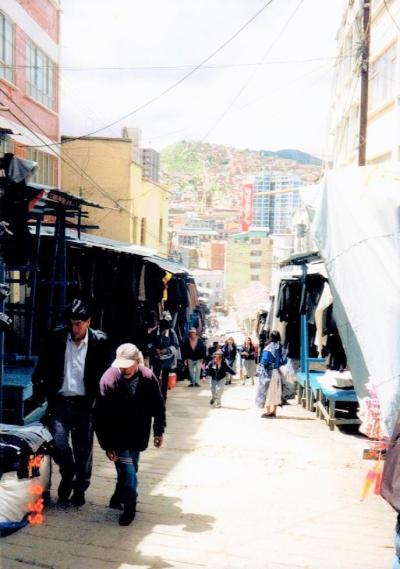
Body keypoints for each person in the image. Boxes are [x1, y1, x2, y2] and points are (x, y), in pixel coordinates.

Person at [32, 299, 109, 507]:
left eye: (78, 324)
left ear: (88, 322)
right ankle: (68, 473)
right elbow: (42, 367)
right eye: (71, 323)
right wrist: (39, 388)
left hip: (85, 404)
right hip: (60, 401)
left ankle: (80, 487)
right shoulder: (56, 338)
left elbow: (106, 375)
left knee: (83, 450)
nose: (74, 328)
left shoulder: (100, 342)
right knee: (58, 443)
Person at [94, 343, 166, 526]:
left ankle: (118, 495)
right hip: (117, 435)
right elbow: (100, 416)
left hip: (138, 432)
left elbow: (158, 406)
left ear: (137, 362)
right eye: (122, 365)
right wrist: (107, 445)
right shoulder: (108, 379)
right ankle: (130, 505)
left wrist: (158, 431)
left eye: (128, 365)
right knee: (128, 469)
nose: (124, 369)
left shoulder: (148, 378)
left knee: (131, 467)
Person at [257, 330, 287, 418]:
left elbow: (264, 361)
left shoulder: (268, 348)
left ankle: (268, 412)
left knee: (267, 391)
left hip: (268, 372)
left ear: (270, 337)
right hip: (277, 372)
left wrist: (260, 368)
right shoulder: (280, 347)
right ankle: (274, 411)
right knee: (276, 392)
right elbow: (284, 361)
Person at [148, 319, 179, 401]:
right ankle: (155, 395)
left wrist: (167, 350)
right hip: (156, 359)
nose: (164, 331)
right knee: (155, 377)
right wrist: (155, 349)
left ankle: (164, 395)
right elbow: (149, 343)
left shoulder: (171, 332)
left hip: (167, 360)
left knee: (165, 378)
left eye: (165, 329)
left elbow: (176, 345)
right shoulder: (154, 332)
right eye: (163, 329)